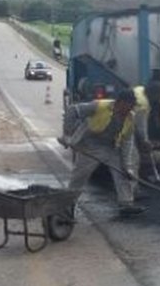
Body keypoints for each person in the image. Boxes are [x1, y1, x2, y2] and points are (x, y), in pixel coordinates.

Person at [60, 87, 146, 217]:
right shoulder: (99, 106)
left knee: (122, 174)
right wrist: (67, 134)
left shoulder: (130, 117)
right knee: (79, 177)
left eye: (133, 106)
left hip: (111, 148)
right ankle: (68, 206)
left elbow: (127, 143)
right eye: (129, 105)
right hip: (89, 146)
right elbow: (72, 110)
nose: (131, 109)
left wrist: (126, 166)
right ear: (121, 102)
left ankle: (126, 204)